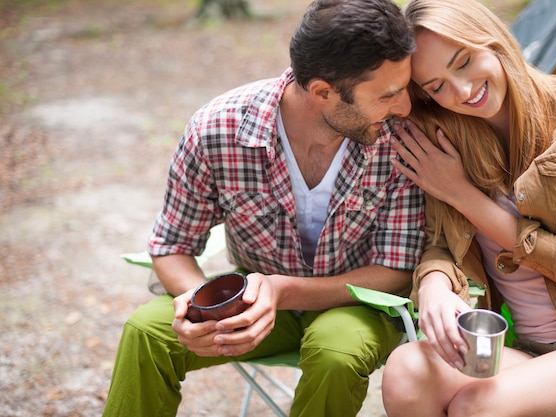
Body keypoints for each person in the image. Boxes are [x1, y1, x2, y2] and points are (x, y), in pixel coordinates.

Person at [102, 0, 425, 416]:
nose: (404, 107)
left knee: (335, 353)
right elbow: (171, 244)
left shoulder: (401, 138)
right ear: (323, 92)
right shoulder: (216, 129)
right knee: (146, 330)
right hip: (250, 303)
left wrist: (283, 290)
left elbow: (396, 269)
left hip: (355, 305)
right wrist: (203, 311)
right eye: (388, 95)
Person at [382, 0, 556, 416]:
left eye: (464, 62)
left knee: (474, 407)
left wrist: (462, 193)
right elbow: (441, 243)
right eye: (437, 86)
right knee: (406, 371)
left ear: (491, 40)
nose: (461, 91)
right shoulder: (447, 135)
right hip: (529, 352)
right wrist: (434, 286)